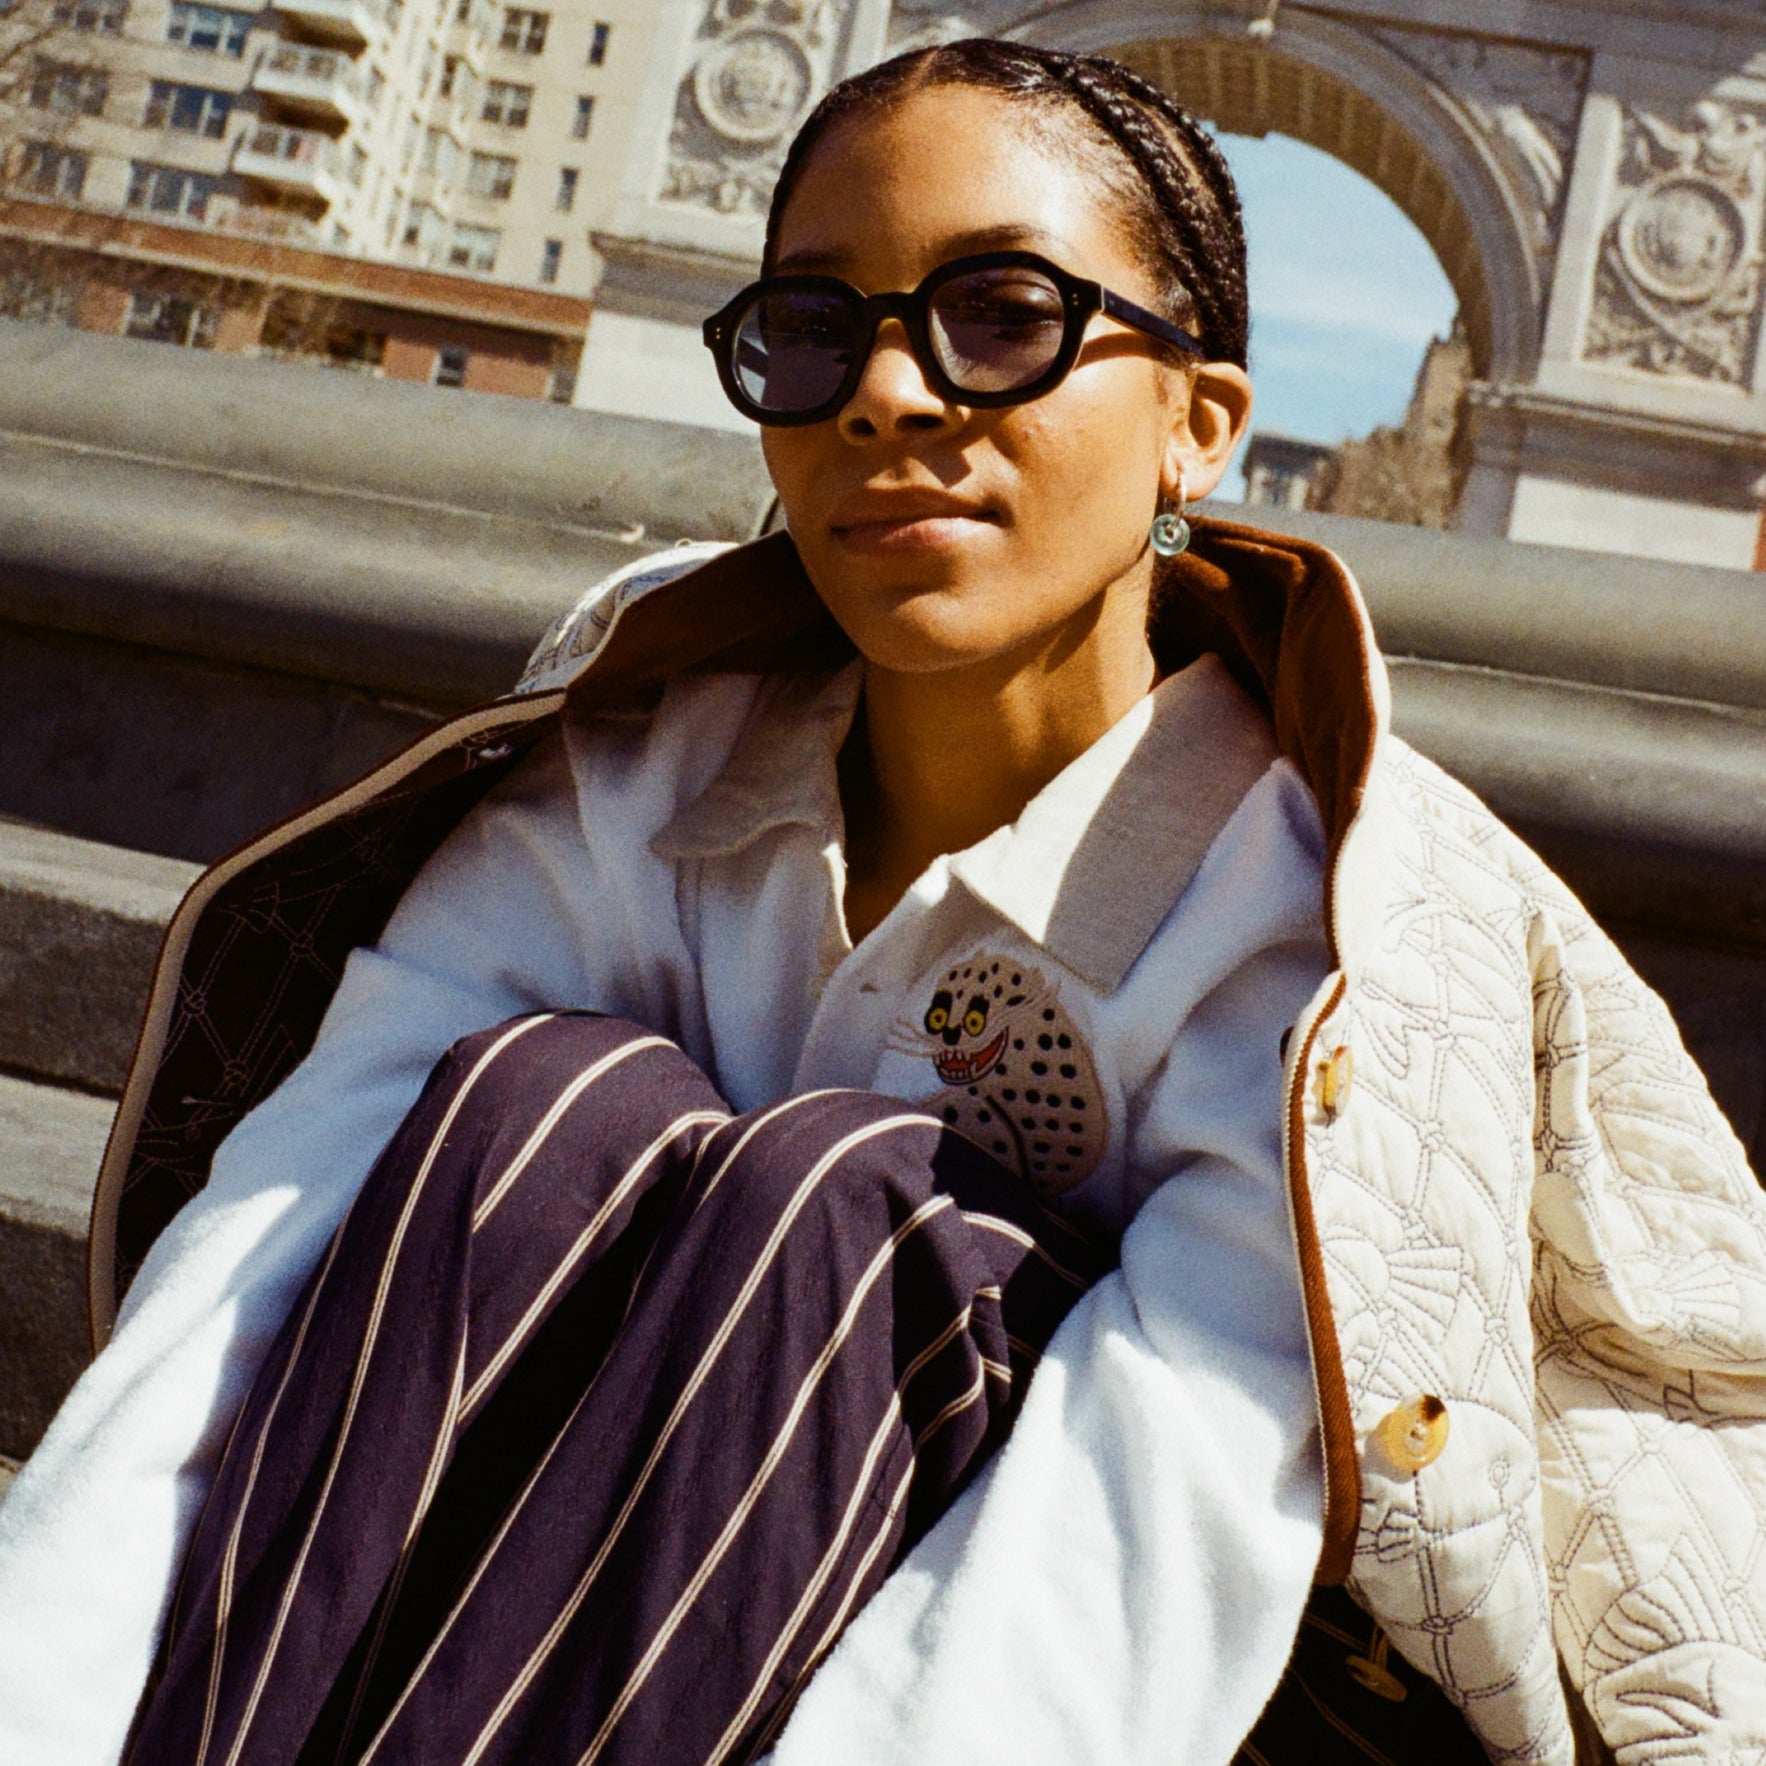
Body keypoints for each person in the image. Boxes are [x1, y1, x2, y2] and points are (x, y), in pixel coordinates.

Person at [2, 36, 1763, 1766]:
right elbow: (254, 1285)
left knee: (846, 1213)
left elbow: (1118, 1568)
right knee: (551, 1103)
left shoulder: (1318, 935)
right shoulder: (632, 772)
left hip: (1218, 1687)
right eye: (812, 326)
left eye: (1002, 313)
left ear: (1197, 424)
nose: (888, 393)